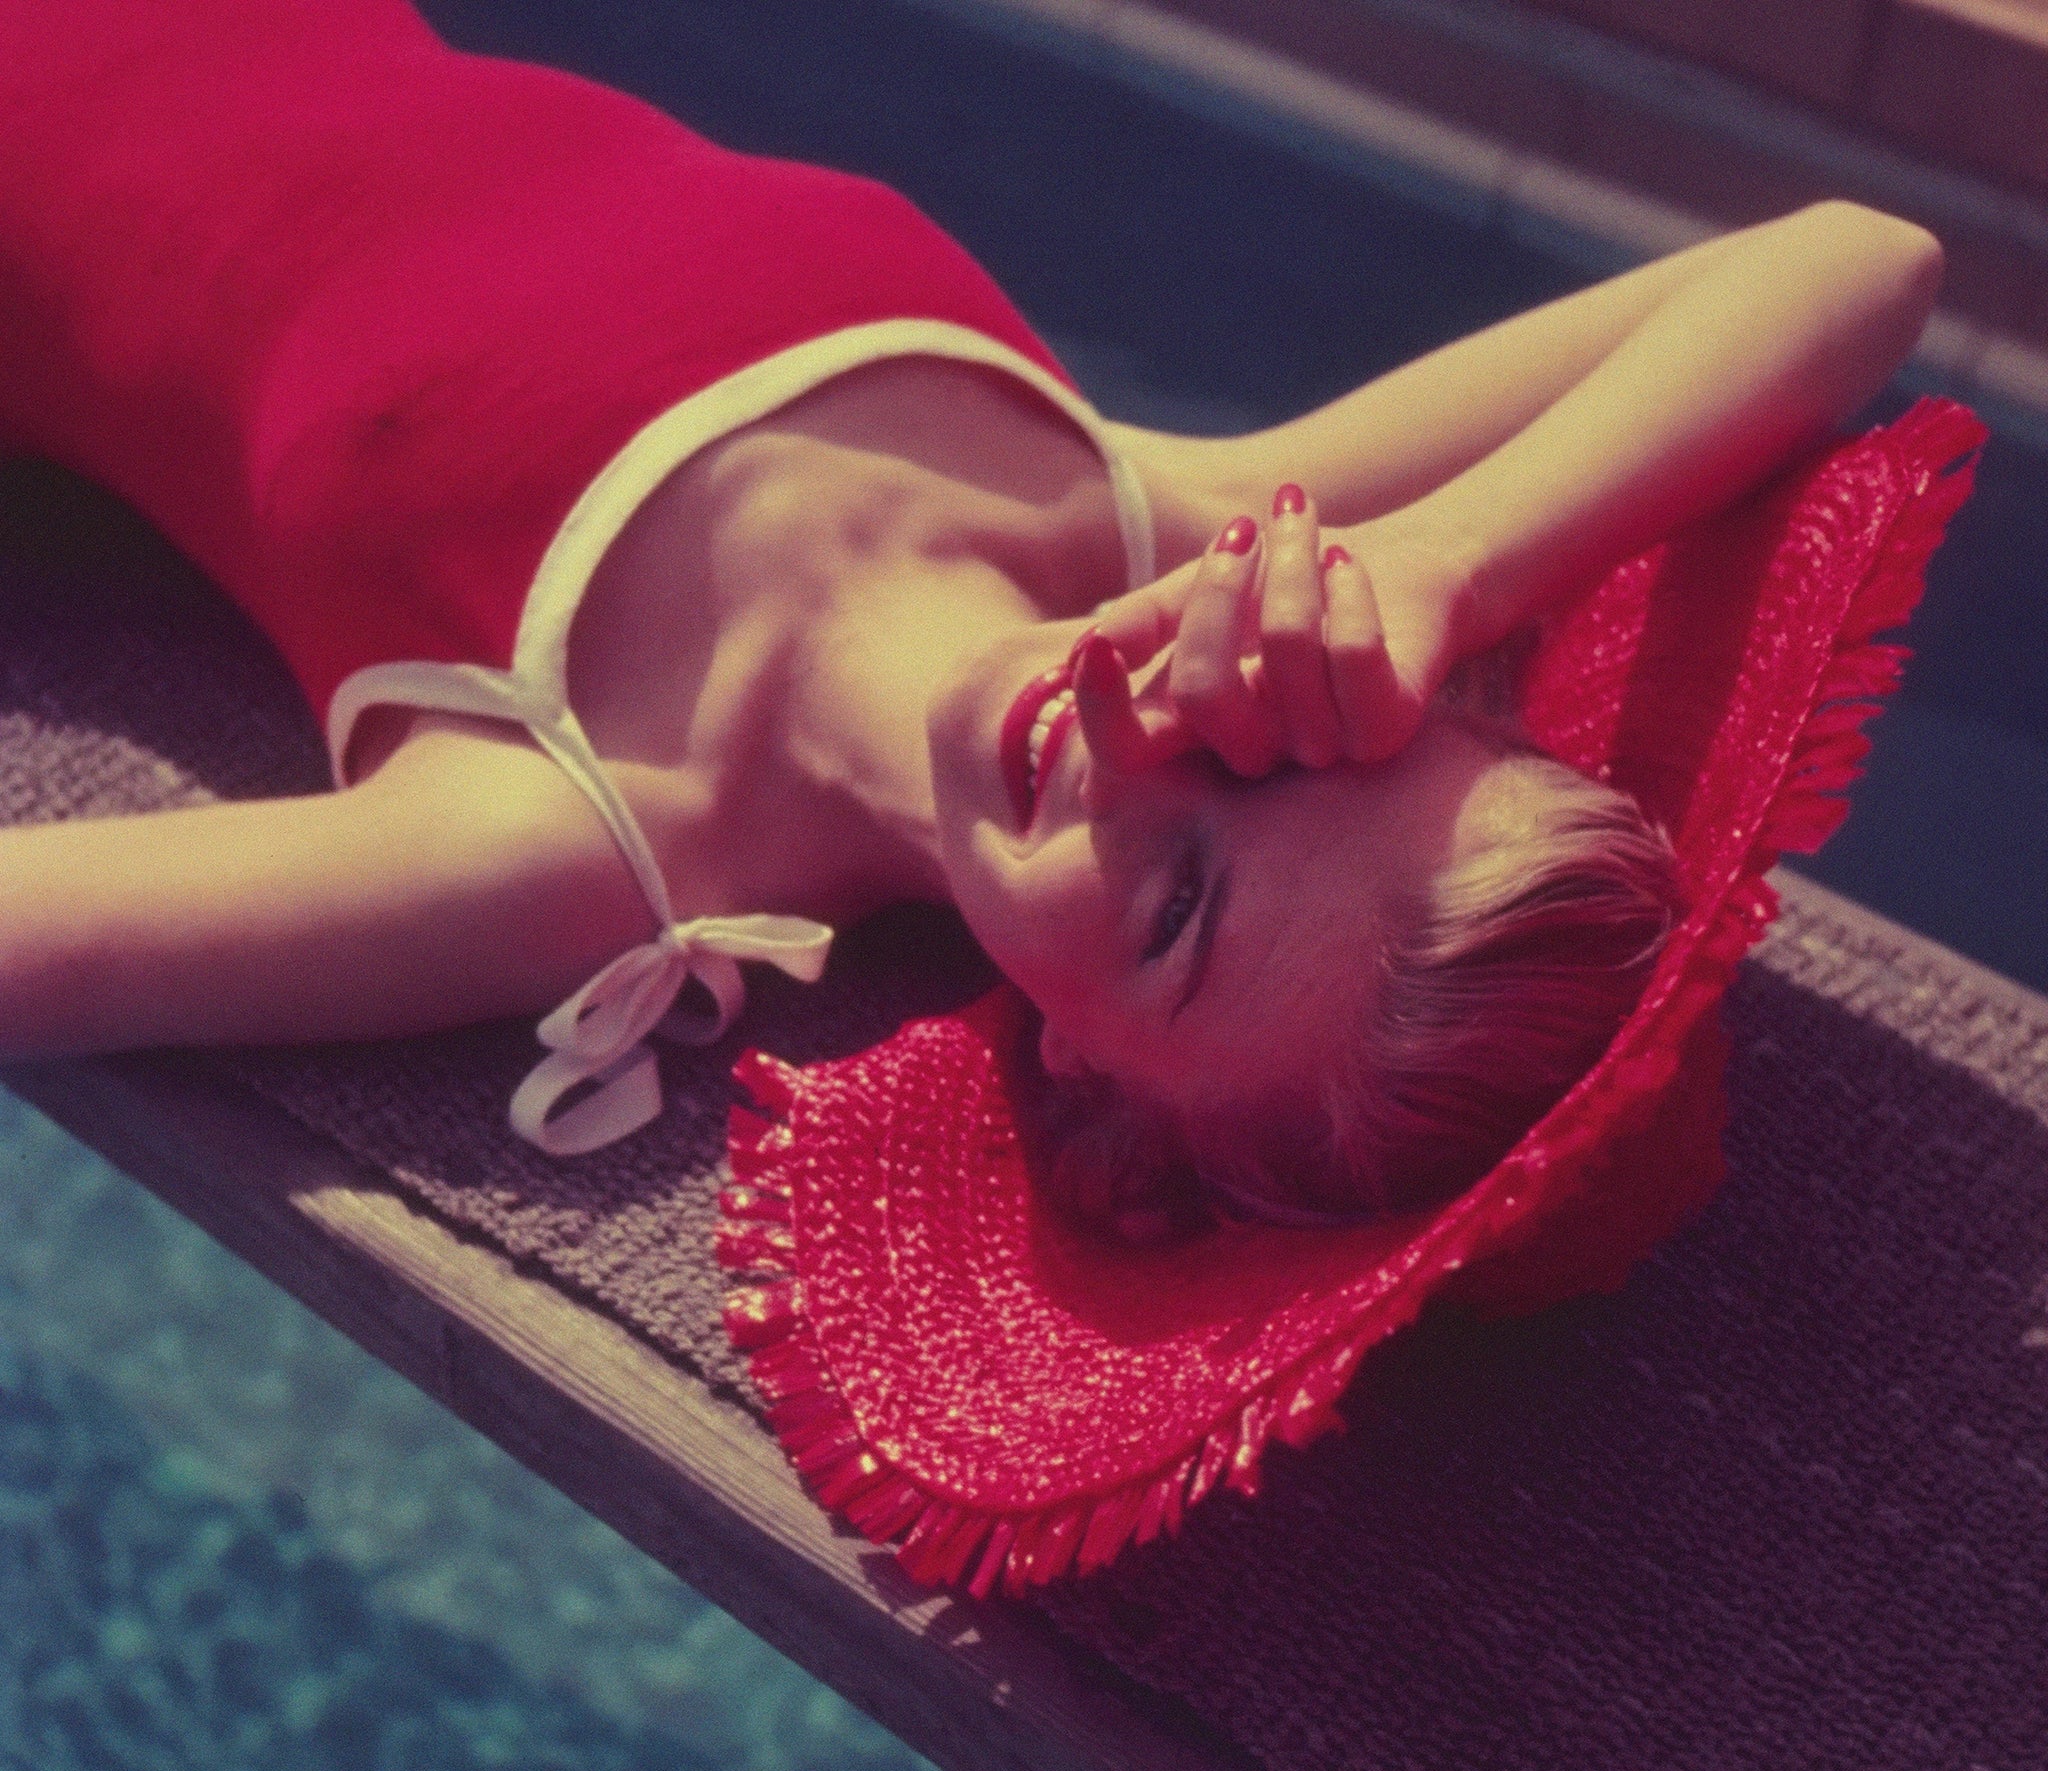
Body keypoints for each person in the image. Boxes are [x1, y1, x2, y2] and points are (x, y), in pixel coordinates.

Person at [0, 0, 1944, 1234]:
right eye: (1306, 733)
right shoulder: (1160, 513)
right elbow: (1857, 262)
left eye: (1180, 904)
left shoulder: (564, 835)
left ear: (1088, 1084)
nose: (1151, 731)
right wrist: (1448, 563)